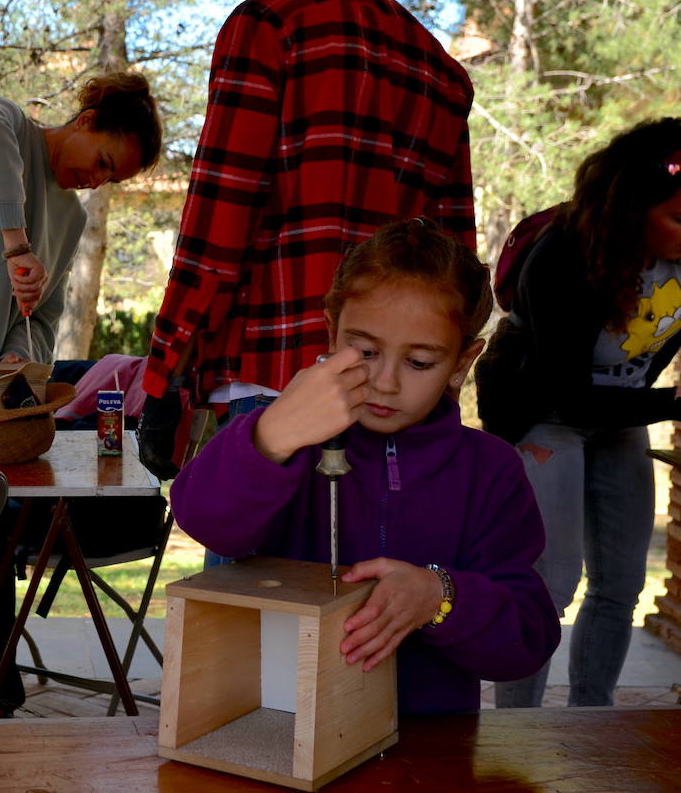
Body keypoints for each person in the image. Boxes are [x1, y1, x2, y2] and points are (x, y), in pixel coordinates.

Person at [138, 0, 476, 485]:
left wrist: (165, 372)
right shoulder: (441, 69)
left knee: (257, 548)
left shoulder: (269, 24)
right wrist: (435, 376)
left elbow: (219, 219)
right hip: (393, 391)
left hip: (276, 376)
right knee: (368, 547)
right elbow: (452, 253)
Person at [171, 218, 559, 714]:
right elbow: (204, 520)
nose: (385, 382)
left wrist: (440, 597)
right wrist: (270, 435)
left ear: (462, 362)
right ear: (331, 331)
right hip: (282, 729)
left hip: (430, 743)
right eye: (366, 351)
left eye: (419, 362)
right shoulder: (284, 440)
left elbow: (528, 639)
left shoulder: (491, 471)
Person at [477, 119, 681, 708]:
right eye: (678, 217)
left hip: (622, 412)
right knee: (551, 580)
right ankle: (519, 730)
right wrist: (671, 404)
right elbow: (568, 395)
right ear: (630, 207)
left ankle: (593, 719)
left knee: (621, 583)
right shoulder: (565, 253)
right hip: (543, 410)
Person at [0, 74, 162, 363]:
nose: (96, 183)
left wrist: (19, 354)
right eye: (102, 162)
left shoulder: (73, 219)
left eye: (110, 179)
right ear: (86, 121)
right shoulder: (9, 127)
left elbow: (42, 319)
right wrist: (17, 247)